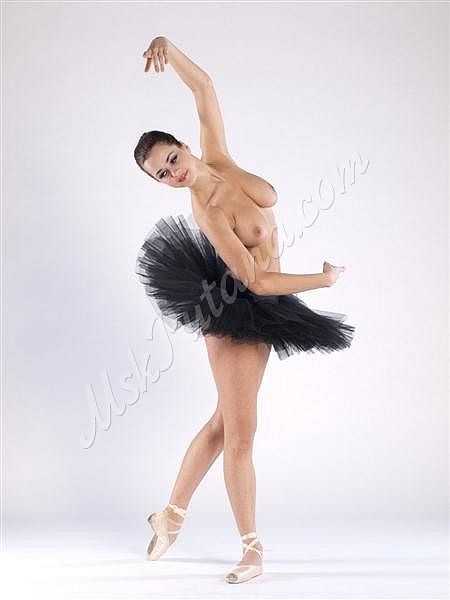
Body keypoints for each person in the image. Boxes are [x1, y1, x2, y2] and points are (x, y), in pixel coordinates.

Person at [134, 36, 355, 584]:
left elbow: (204, 88)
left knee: (224, 422)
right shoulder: (208, 211)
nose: (174, 173)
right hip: (237, 310)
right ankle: (251, 549)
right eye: (162, 175)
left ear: (185, 146)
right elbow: (255, 279)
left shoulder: (219, 160)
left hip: (262, 305)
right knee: (240, 434)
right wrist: (321, 281)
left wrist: (168, 49)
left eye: (172, 159)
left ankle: (170, 515)